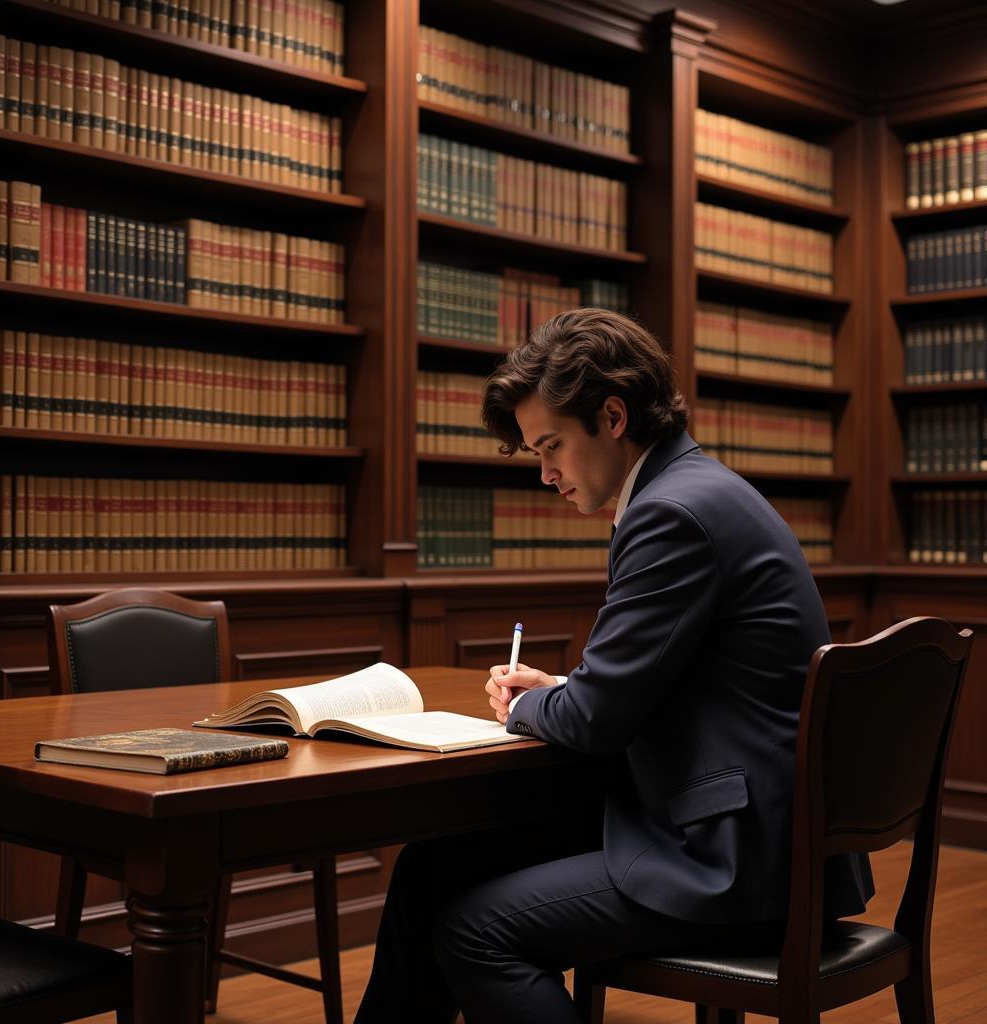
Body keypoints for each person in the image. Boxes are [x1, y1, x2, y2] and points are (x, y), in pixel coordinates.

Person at [354, 308, 873, 1024]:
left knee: (476, 933)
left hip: (731, 858)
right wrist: (563, 689)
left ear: (614, 416)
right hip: (745, 827)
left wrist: (526, 705)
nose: (544, 473)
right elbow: (663, 687)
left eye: (552, 446)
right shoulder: (695, 489)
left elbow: (597, 723)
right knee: (429, 870)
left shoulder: (671, 515)